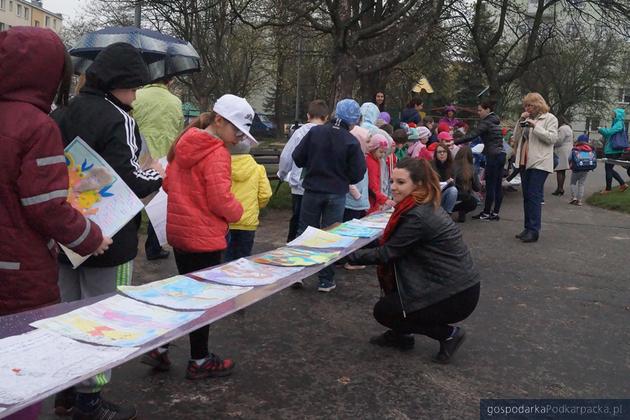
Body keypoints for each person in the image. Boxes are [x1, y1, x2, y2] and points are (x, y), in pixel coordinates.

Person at [0, 27, 112, 420]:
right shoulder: (36, 126)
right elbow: (46, 207)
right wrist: (90, 237)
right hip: (19, 275)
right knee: (20, 377)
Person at [52, 42, 164, 420]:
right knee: (103, 317)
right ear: (121, 84)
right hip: (109, 236)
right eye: (135, 87)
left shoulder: (62, 112)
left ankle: (64, 393)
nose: (136, 95)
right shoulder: (119, 117)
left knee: (68, 312)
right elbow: (131, 177)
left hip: (66, 234)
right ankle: (90, 401)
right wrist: (158, 175)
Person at [153, 95, 251, 379]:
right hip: (205, 238)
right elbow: (221, 201)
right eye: (237, 131)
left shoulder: (184, 143)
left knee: (186, 294)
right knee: (201, 301)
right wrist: (237, 211)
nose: (237, 139)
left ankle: (160, 347)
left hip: (180, 234)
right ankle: (198, 360)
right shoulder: (217, 152)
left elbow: (169, 184)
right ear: (219, 121)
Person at [346, 158, 480, 363]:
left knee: (384, 311)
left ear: (418, 184)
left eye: (401, 183)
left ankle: (449, 334)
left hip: (455, 293)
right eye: (392, 182)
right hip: (454, 284)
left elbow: (387, 253)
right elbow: (394, 246)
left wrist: (343, 255)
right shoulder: (419, 204)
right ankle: (401, 335)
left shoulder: (417, 215)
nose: (393, 188)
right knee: (394, 299)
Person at [292, 99, 367, 292]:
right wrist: (343, 177)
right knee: (331, 235)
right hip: (336, 192)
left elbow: (297, 157)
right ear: (353, 121)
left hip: (313, 189)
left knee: (304, 232)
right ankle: (326, 280)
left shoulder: (315, 132)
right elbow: (358, 173)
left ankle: (297, 275)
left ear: (335, 113)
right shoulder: (350, 140)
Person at [133, 77, 185, 260]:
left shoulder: (136, 95)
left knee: (133, 198)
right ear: (169, 81)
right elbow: (179, 131)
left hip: (140, 153)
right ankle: (154, 248)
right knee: (158, 205)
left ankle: (130, 241)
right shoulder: (176, 102)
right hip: (164, 157)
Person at [277, 100, 329, 242]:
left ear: (308, 115)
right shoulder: (328, 134)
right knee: (315, 221)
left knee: (297, 218)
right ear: (326, 117)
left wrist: (282, 174)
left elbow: (286, 156)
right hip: (320, 185)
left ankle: (291, 244)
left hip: (299, 184)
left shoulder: (299, 133)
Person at [512, 92, 558, 243]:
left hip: (540, 162)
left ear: (538, 104)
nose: (527, 108)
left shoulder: (550, 118)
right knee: (527, 196)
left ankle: (534, 230)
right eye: (525, 105)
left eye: (530, 105)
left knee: (534, 195)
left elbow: (552, 138)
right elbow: (516, 138)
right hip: (525, 160)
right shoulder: (527, 118)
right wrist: (521, 121)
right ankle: (527, 227)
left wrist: (535, 126)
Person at [455, 101, 504, 221]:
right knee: (498, 186)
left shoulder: (486, 122)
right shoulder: (495, 120)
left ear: (487, 110)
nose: (478, 112)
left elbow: (472, 135)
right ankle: (495, 212)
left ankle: (487, 212)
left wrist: (455, 141)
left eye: (480, 110)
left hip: (493, 156)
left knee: (491, 185)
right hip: (501, 154)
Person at [225, 141, 272, 261]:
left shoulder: (222, 167)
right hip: (248, 221)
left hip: (225, 221)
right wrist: (257, 207)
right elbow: (265, 194)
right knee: (243, 259)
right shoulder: (258, 169)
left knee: (224, 261)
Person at [598, 108, 628, 194]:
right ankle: (622, 184)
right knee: (609, 169)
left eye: (613, 113)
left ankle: (608, 189)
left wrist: (601, 129)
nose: (611, 114)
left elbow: (609, 132)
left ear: (617, 114)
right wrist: (603, 132)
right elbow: (609, 135)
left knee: (608, 169)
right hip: (613, 149)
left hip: (613, 150)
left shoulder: (619, 123)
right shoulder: (616, 123)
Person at [367, 134, 396, 214]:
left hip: (374, 199)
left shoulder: (377, 161)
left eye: (384, 152)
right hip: (371, 200)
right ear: (373, 149)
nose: (383, 155)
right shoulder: (371, 163)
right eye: (380, 152)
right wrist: (384, 199)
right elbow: (373, 186)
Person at [452, 147, 481, 222]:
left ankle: (450, 210)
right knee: (473, 202)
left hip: (451, 194)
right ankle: (462, 211)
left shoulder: (451, 165)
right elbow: (477, 188)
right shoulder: (472, 169)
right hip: (465, 196)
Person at [568, 134, 596, 206]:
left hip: (576, 169)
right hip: (586, 169)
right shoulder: (590, 149)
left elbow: (570, 158)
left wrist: (570, 164)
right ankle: (579, 200)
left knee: (573, 182)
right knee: (581, 184)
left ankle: (573, 197)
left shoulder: (575, 148)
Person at [432, 142, 458, 214]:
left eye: (444, 152)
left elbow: (454, 183)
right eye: (439, 152)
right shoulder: (431, 165)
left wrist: (449, 182)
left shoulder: (452, 165)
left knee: (453, 190)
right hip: (434, 195)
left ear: (447, 153)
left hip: (445, 194)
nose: (442, 154)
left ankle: (447, 214)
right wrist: (445, 182)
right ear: (436, 154)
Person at [552, 116, 574, 196]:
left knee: (559, 170)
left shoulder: (562, 129)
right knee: (563, 170)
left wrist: (552, 143)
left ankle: (559, 189)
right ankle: (560, 188)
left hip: (562, 151)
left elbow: (559, 140)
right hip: (568, 150)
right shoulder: (569, 128)